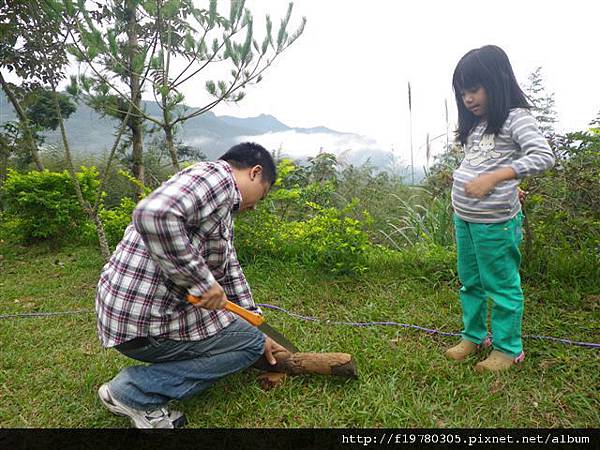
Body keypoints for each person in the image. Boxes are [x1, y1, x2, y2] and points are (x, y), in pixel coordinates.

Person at [95, 142, 285, 428]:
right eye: (263, 194)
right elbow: (153, 214)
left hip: (130, 314)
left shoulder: (217, 202)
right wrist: (200, 281)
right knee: (250, 346)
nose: (256, 205)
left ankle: (139, 386)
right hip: (145, 323)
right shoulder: (218, 179)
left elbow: (229, 270)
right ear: (255, 173)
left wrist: (255, 320)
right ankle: (134, 391)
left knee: (252, 336)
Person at [445, 45, 555, 372]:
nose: (468, 99)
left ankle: (508, 348)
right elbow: (489, 159)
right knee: (471, 281)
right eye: (463, 93)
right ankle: (474, 336)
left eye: (474, 90)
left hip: (495, 223)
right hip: (465, 217)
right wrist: (507, 181)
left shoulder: (515, 118)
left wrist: (497, 178)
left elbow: (542, 156)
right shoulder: (477, 124)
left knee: (502, 284)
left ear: (497, 81)